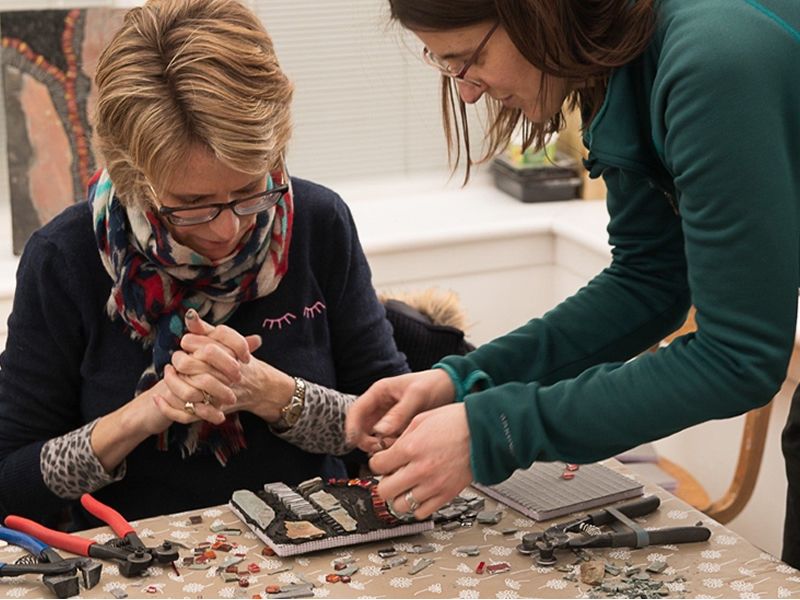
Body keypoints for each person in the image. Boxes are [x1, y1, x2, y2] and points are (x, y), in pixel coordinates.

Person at [346, 0, 800, 561]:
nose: (467, 92)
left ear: (534, 13)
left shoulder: (713, 61)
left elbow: (738, 359)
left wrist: (492, 430)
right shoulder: (616, 59)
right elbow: (649, 281)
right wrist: (460, 382)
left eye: (468, 60)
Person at [0, 0, 408, 527]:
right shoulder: (66, 258)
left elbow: (395, 429)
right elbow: (10, 484)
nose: (228, 228)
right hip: (132, 564)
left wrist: (274, 394)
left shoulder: (318, 222)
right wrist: (144, 413)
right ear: (133, 178)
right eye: (191, 204)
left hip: (315, 547)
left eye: (249, 191)